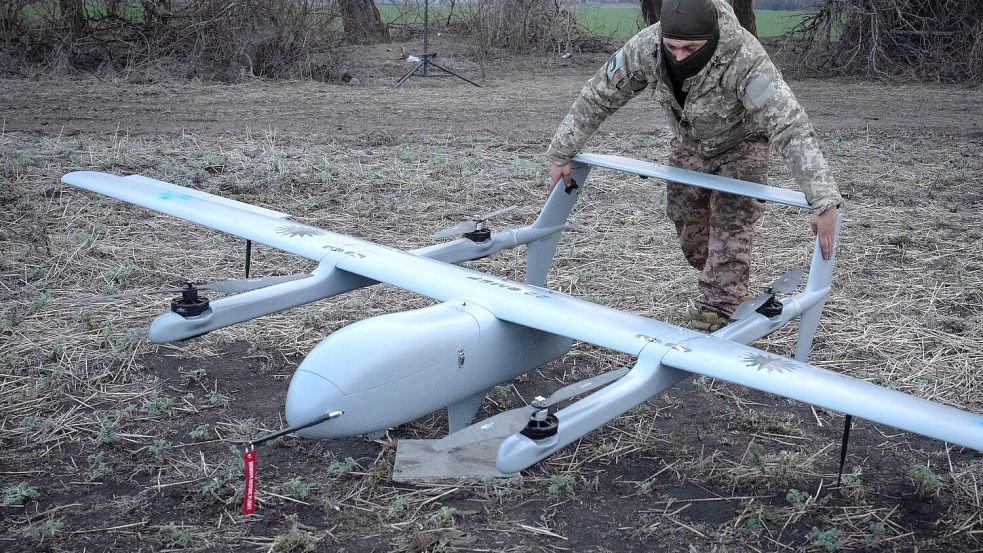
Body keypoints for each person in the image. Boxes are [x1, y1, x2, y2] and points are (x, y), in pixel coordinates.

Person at [546, 0, 843, 331]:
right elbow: (599, 94)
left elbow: (789, 126)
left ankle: (713, 312)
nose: (679, 55)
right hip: (689, 145)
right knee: (691, 232)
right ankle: (727, 283)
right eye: (672, 46)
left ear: (712, 37)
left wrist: (823, 199)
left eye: (690, 47)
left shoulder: (744, 59)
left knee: (730, 229)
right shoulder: (647, 47)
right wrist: (561, 153)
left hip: (741, 146)